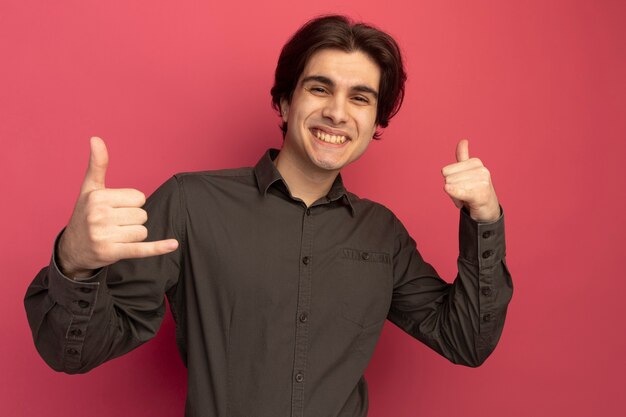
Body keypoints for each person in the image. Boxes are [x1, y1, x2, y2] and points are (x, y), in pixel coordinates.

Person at [24, 15, 513, 417]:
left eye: (360, 98)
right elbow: (75, 352)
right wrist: (75, 262)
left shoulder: (383, 234)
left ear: (374, 123)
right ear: (284, 100)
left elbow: (465, 341)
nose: (338, 113)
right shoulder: (190, 204)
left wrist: (484, 220)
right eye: (320, 89)